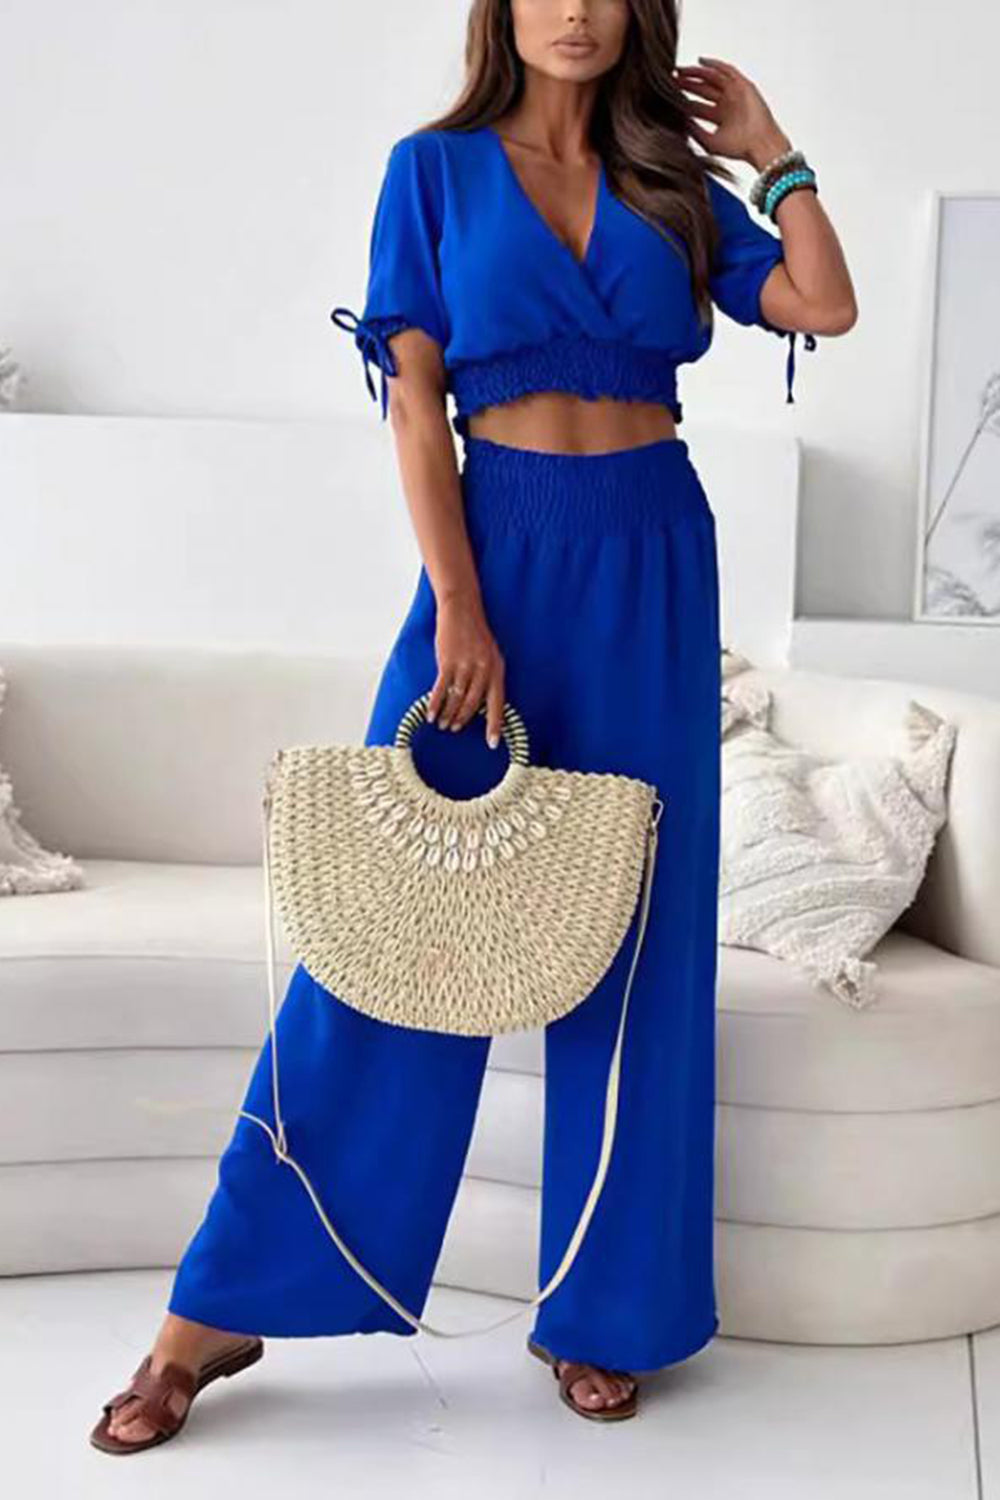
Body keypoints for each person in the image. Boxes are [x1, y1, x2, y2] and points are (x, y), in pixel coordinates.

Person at [91, 0, 856, 1451]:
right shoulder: (431, 171)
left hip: (652, 556)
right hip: (493, 550)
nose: (575, 10)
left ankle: (604, 1312)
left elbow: (822, 306)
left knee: (641, 945)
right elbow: (415, 401)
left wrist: (775, 157)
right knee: (391, 933)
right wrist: (459, 602)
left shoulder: (670, 181)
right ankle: (220, 1306)